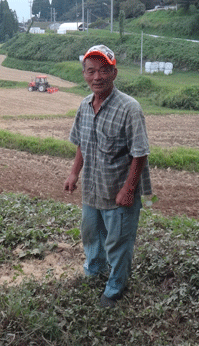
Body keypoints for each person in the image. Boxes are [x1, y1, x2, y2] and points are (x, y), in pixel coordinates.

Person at [64, 44, 152, 308]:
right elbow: (81, 142)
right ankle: (94, 271)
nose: (97, 77)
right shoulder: (84, 105)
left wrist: (128, 189)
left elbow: (140, 153)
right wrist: (73, 173)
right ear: (84, 75)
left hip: (118, 191)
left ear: (114, 73)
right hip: (92, 189)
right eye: (91, 71)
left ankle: (115, 287)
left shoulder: (130, 108)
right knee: (91, 234)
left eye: (104, 70)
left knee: (118, 242)